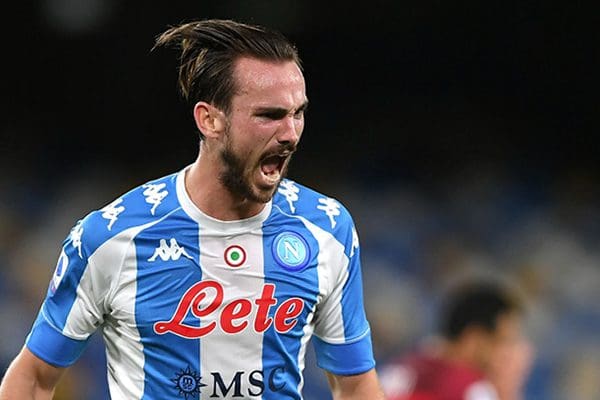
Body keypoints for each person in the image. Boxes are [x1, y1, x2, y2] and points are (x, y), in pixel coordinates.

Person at [0, 19, 383, 399]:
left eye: (297, 113)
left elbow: (355, 386)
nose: (290, 134)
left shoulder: (327, 229)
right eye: (269, 115)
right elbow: (32, 380)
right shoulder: (112, 238)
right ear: (209, 120)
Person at [379, 281, 533, 400]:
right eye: (505, 341)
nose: (509, 353)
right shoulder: (474, 391)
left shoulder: (395, 371)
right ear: (474, 339)